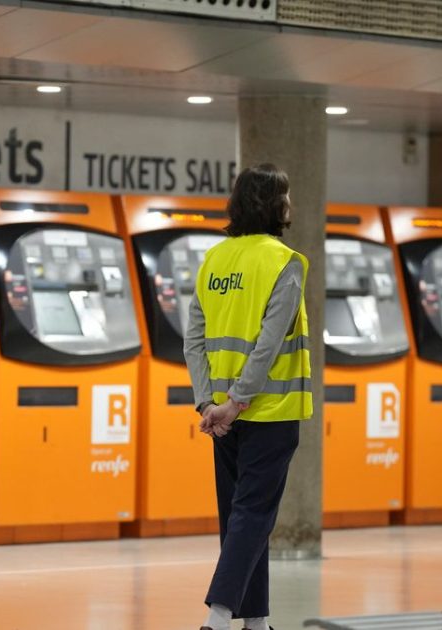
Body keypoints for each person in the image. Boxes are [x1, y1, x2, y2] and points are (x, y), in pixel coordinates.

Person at [184, 163, 313, 630]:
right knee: (253, 516)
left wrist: (208, 404)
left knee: (239, 518)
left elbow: (193, 339)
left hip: (222, 417)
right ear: (274, 204)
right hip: (269, 411)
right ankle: (217, 621)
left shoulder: (214, 260)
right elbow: (269, 343)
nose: (291, 204)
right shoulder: (284, 262)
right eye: (287, 196)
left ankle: (256, 622)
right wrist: (238, 402)